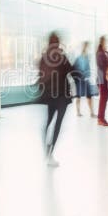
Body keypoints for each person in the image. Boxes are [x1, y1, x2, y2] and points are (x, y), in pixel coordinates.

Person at [37, 32, 74, 166]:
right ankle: (50, 154)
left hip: (49, 94)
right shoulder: (62, 56)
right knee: (58, 123)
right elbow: (71, 70)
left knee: (48, 120)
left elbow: (40, 73)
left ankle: (45, 150)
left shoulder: (44, 57)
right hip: (62, 95)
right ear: (58, 43)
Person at [73, 41, 96, 117]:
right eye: (86, 48)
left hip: (85, 79)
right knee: (78, 96)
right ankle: (78, 112)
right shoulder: (79, 58)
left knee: (88, 96)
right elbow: (75, 69)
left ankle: (91, 112)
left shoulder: (86, 58)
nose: (87, 50)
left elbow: (87, 69)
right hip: (79, 79)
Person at [96, 36, 108, 127]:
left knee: (104, 99)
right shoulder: (99, 53)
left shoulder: (105, 53)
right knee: (103, 99)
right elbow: (101, 65)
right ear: (102, 42)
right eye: (105, 42)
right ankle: (100, 119)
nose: (106, 44)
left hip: (107, 79)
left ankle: (101, 118)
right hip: (102, 79)